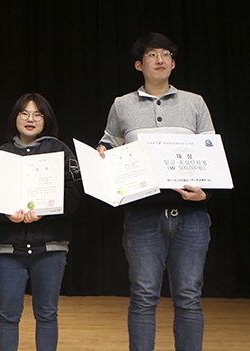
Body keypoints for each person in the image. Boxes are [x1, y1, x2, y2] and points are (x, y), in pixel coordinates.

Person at [97, 32, 215, 351]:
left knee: (189, 297)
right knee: (144, 296)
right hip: (142, 214)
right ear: (139, 65)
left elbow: (210, 153)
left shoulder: (194, 102)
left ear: (173, 63)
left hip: (191, 216)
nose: (160, 59)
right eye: (152, 55)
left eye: (166, 54)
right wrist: (102, 150)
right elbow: (109, 141)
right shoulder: (122, 104)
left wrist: (205, 194)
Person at [0, 93, 82, 351]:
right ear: (15, 118)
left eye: (37, 114)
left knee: (47, 314)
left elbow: (75, 194)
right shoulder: (2, 153)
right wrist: (5, 213)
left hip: (50, 246)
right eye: (24, 113)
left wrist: (46, 209)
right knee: (7, 315)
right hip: (9, 248)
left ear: (46, 119)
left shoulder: (59, 150)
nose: (30, 119)